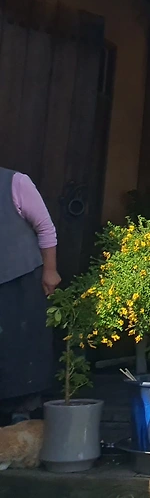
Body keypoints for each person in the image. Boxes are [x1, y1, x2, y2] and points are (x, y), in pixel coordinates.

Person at [0, 167, 58, 424]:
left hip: (21, 277)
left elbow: (45, 228)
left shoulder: (16, 182)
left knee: (22, 345)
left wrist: (50, 270)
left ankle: (22, 411)